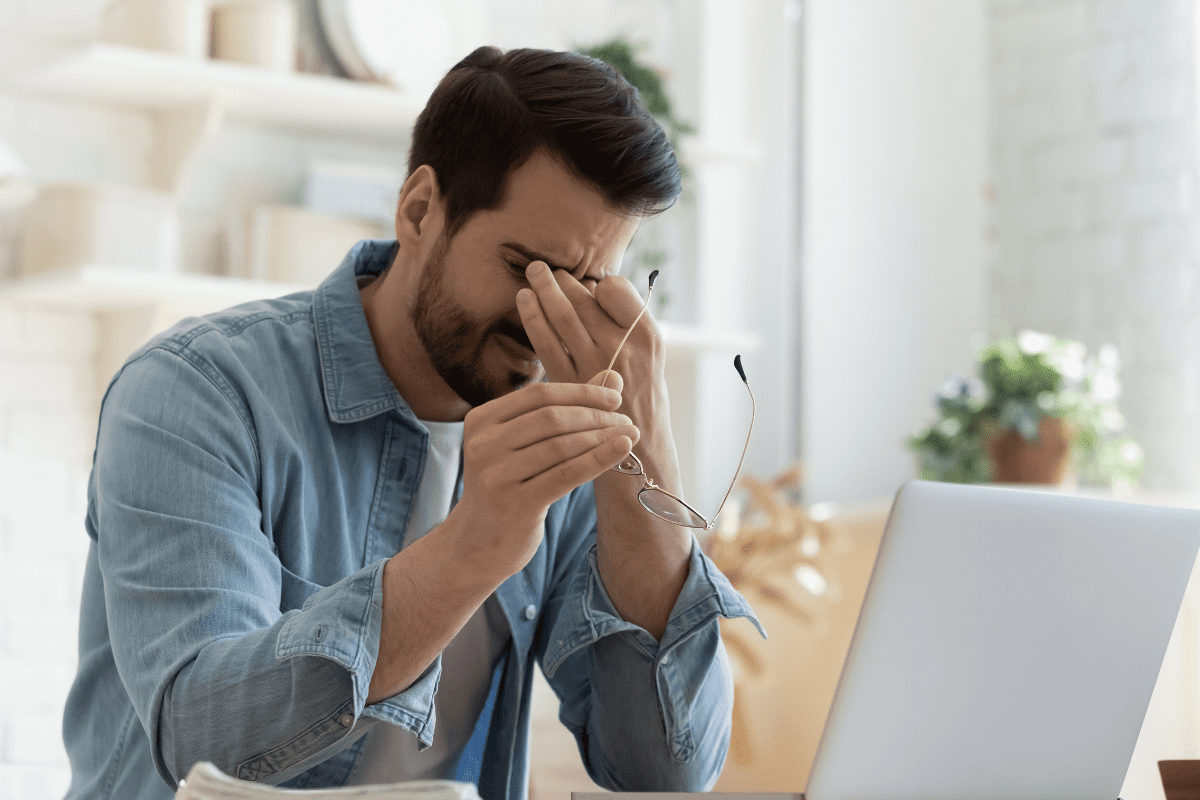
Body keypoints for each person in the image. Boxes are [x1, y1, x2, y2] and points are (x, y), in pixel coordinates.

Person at [62, 46, 762, 800]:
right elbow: (204, 744)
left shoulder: (572, 441)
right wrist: (475, 543)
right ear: (420, 209)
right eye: (526, 268)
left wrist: (647, 459)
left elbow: (667, 772)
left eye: (586, 285)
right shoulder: (195, 392)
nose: (544, 318)